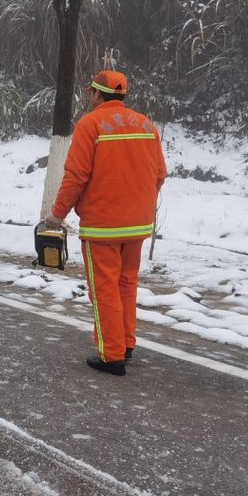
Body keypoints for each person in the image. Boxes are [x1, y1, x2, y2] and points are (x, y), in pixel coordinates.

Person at [44, 70, 167, 376]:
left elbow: (76, 176)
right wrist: (139, 204)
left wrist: (57, 215)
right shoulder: (147, 125)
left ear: (97, 94)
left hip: (103, 225)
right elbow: (160, 174)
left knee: (104, 289)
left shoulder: (91, 125)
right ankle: (125, 344)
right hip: (137, 225)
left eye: (90, 93)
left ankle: (111, 355)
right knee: (127, 283)